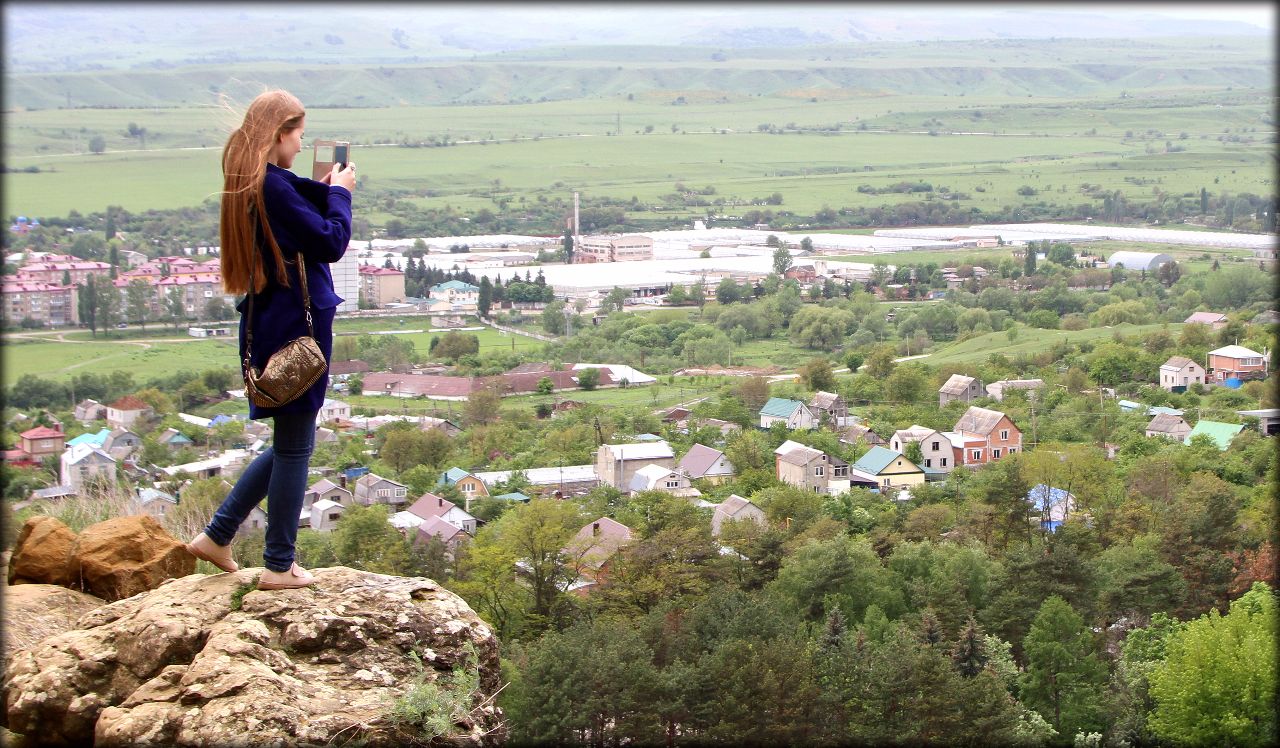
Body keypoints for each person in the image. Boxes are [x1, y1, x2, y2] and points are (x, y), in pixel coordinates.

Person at [186, 89, 356, 590]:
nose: (303, 145)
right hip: (295, 327)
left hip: (271, 322)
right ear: (281, 133)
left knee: (287, 442)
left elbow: (296, 198)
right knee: (297, 445)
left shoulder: (253, 181)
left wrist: (329, 187)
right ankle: (279, 564)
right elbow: (329, 242)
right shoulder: (271, 187)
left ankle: (217, 537)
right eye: (299, 134)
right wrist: (343, 196)